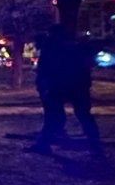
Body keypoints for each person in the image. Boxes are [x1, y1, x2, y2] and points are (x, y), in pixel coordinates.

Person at [27, 26, 102, 156]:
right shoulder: (77, 48)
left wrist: (45, 84)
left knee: (54, 116)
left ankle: (44, 144)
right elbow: (87, 65)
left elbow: (45, 68)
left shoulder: (51, 47)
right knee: (83, 116)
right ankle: (96, 147)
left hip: (60, 85)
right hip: (77, 85)